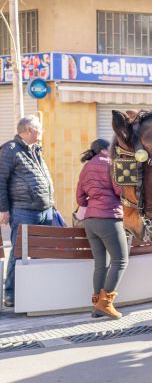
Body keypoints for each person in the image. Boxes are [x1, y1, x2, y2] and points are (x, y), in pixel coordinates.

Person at [0, 115, 54, 308]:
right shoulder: (10, 150)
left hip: (45, 210)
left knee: (42, 252)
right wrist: (3, 209)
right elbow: (1, 180)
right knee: (18, 252)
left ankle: (38, 289)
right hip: (24, 210)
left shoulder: (36, 149)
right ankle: (11, 293)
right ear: (29, 130)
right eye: (40, 129)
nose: (42, 132)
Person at [76, 139, 128, 318]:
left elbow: (80, 199)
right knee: (121, 260)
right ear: (106, 150)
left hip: (90, 221)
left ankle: (97, 306)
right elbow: (120, 191)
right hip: (109, 218)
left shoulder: (86, 168)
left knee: (101, 264)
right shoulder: (111, 164)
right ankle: (105, 304)